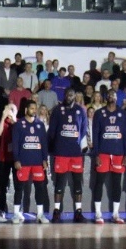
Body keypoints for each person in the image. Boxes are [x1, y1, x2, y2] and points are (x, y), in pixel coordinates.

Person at [48, 88, 88, 222]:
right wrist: (54, 146)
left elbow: (83, 129)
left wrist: (77, 143)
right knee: (59, 183)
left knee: (77, 183)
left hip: (76, 152)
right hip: (61, 152)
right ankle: (56, 212)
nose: (69, 97)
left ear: (75, 96)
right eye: (67, 95)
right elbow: (52, 131)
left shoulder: (80, 110)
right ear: (64, 96)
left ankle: (78, 212)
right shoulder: (58, 110)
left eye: (71, 94)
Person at [91, 90, 126, 223]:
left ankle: (115, 213)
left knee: (116, 184)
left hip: (118, 153)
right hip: (103, 153)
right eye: (109, 95)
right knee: (99, 182)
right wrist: (96, 154)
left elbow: (125, 134)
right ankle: (97, 213)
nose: (111, 97)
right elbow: (95, 134)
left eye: (113, 95)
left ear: (116, 98)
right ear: (105, 97)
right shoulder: (99, 113)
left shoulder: (123, 113)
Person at [11, 100, 50, 223]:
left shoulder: (40, 124)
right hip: (23, 162)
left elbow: (44, 143)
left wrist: (45, 159)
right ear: (26, 110)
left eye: (35, 108)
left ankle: (40, 214)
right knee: (19, 188)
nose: (34, 110)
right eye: (32, 108)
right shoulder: (19, 124)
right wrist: (16, 159)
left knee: (40, 188)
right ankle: (16, 214)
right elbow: (15, 144)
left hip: (38, 162)